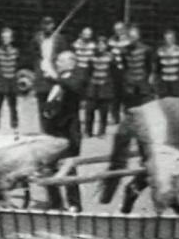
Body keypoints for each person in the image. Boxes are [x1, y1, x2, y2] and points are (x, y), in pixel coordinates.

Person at [42, 51, 84, 212]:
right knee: (48, 167)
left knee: (68, 169)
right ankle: (55, 203)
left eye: (60, 61)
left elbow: (72, 87)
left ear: (71, 63)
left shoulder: (77, 77)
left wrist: (52, 74)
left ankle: (74, 204)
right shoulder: (57, 81)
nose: (57, 63)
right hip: (54, 132)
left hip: (69, 132)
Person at [31, 16, 67, 132]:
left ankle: (55, 129)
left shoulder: (59, 39)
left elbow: (63, 57)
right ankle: (44, 129)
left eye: (50, 24)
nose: (47, 27)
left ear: (53, 25)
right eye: (45, 24)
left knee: (54, 103)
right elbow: (34, 55)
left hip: (54, 76)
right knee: (42, 103)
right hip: (41, 77)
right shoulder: (37, 38)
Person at [0, 28, 20, 135]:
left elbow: (17, 65)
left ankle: (14, 126)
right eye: (4, 37)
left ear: (11, 39)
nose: (6, 40)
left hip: (11, 81)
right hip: (0, 82)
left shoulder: (16, 52)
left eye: (8, 37)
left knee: (13, 106)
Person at [85, 36, 115, 137]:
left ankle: (101, 131)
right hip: (93, 87)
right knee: (89, 111)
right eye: (99, 44)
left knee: (104, 112)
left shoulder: (111, 57)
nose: (100, 46)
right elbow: (88, 72)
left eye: (103, 44)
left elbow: (114, 73)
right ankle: (88, 131)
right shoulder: (92, 57)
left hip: (105, 88)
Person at [122, 26, 153, 108]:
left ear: (138, 36)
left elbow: (149, 66)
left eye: (134, 36)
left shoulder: (146, 50)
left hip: (143, 83)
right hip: (130, 84)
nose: (132, 38)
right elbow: (125, 66)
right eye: (130, 36)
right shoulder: (124, 50)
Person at [152, 29, 179, 98]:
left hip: (176, 82)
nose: (169, 40)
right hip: (164, 82)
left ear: (175, 39)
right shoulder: (160, 51)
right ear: (164, 39)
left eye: (171, 38)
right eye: (167, 38)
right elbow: (157, 67)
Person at [108, 21, 130, 123]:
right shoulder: (111, 41)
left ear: (125, 29)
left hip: (127, 71)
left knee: (127, 95)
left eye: (121, 29)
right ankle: (115, 117)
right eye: (116, 30)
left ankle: (127, 118)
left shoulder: (130, 42)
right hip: (114, 72)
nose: (118, 32)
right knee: (115, 95)